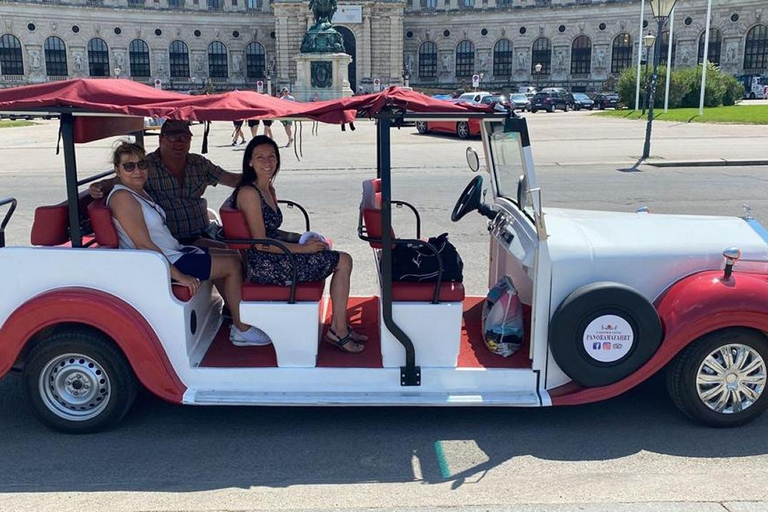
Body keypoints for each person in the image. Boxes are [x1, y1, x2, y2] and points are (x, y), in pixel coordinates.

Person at [106, 141, 270, 346]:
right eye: (129, 166)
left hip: (173, 252)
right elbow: (143, 244)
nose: (137, 170)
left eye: (142, 164)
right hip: (160, 263)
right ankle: (242, 330)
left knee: (229, 254)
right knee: (232, 265)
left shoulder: (136, 191)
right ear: (117, 170)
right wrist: (179, 276)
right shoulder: (123, 197)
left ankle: (233, 312)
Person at [232, 136, 367, 354]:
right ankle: (338, 331)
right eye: (260, 157)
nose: (267, 162)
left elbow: (272, 231)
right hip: (265, 265)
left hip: (276, 256)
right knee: (343, 260)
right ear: (249, 162)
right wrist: (304, 249)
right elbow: (261, 243)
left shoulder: (267, 188)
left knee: (332, 253)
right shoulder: (249, 193)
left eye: (272, 157)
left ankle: (339, 327)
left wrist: (301, 238)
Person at [90, 120, 243, 245]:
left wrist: (260, 174)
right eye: (172, 138)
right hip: (173, 240)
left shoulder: (199, 163)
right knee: (231, 260)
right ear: (161, 139)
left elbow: (232, 179)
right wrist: (99, 187)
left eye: (184, 138)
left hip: (204, 231)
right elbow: (118, 180)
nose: (179, 143)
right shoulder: (146, 165)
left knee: (240, 248)